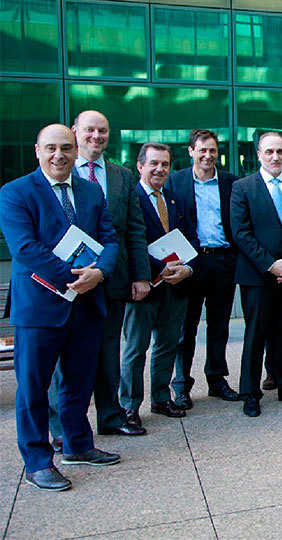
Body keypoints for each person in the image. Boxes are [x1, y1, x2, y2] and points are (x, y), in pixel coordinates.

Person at [0, 124, 121, 491]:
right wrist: (76, 277)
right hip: (39, 307)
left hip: (85, 304)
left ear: (75, 150)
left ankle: (78, 445)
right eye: (51, 148)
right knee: (33, 388)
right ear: (37, 151)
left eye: (66, 148)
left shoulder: (90, 190)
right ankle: (37, 462)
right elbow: (25, 248)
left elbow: (109, 239)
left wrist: (100, 272)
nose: (59, 155)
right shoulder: (15, 192)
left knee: (79, 381)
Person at [47, 110, 150, 450]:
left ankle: (110, 416)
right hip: (68, 280)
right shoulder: (59, 170)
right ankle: (61, 427)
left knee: (108, 352)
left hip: (111, 278)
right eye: (89, 129)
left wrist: (141, 276)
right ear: (75, 131)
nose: (96, 136)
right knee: (63, 357)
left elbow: (134, 229)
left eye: (102, 130)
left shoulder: (122, 175)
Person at [230, 132, 282, 417]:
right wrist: (270, 265)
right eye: (270, 152)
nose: (276, 157)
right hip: (258, 276)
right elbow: (241, 233)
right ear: (258, 154)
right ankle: (250, 393)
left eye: (281, 151)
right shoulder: (243, 187)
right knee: (256, 335)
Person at [119, 143, 198, 423]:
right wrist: (159, 268)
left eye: (165, 164)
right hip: (144, 286)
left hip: (176, 285)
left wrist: (187, 268)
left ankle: (161, 398)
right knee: (135, 349)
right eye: (153, 163)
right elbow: (128, 243)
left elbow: (192, 238)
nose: (159, 169)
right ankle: (129, 406)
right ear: (140, 166)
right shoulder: (130, 199)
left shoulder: (177, 200)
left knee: (167, 345)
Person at [169, 129, 242, 409]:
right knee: (185, 328)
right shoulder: (175, 182)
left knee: (219, 325)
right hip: (190, 262)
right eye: (202, 150)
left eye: (212, 150)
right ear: (191, 151)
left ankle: (216, 379)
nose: (208, 155)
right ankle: (181, 385)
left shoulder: (231, 183)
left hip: (222, 261)